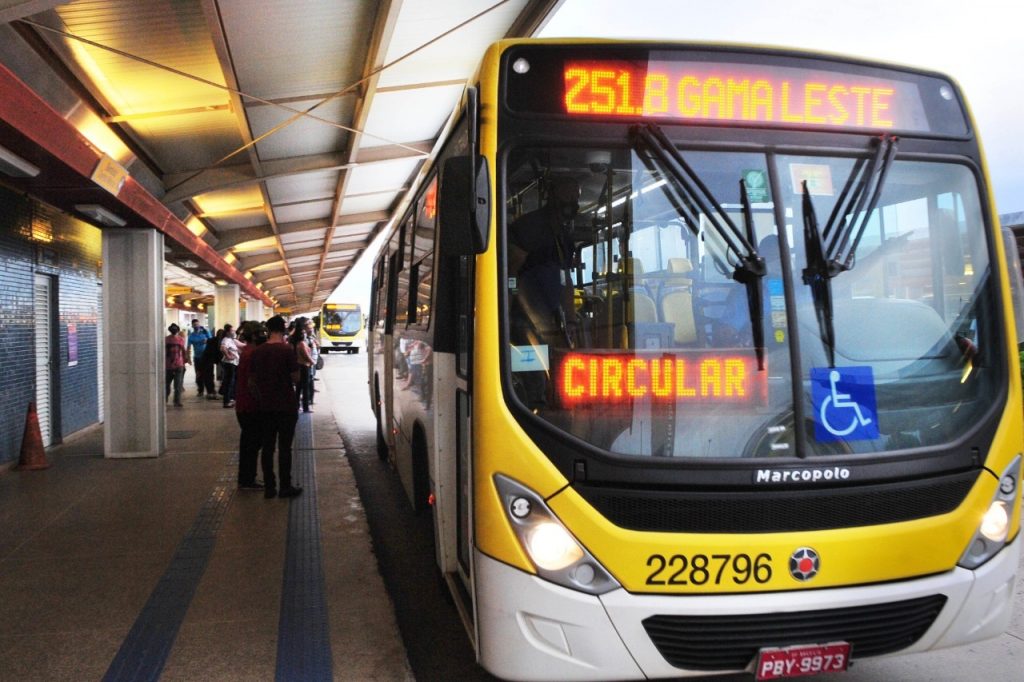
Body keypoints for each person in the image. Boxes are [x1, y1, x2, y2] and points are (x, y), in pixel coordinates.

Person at [508, 176, 581, 349]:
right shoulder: (529, 227)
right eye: (568, 194)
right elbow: (511, 273)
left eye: (575, 197)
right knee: (533, 370)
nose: (572, 201)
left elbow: (566, 279)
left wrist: (570, 320)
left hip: (551, 316)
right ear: (553, 195)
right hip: (524, 317)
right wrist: (507, 314)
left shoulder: (565, 237)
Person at [248, 315, 303, 499]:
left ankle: (269, 488)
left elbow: (251, 382)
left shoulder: (258, 351)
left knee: (268, 447)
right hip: (286, 405)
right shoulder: (286, 350)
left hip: (265, 407)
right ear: (283, 329)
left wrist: (262, 397)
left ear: (269, 330)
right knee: (285, 448)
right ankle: (285, 487)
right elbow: (296, 378)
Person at [235, 320, 268, 490]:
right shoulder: (252, 354)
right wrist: (262, 402)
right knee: (252, 444)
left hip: (243, 405)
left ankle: (246, 479)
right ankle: (248, 480)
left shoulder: (247, 351)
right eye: (261, 332)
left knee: (249, 444)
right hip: (251, 406)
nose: (264, 335)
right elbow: (252, 383)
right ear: (254, 335)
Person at [290, 316, 315, 413]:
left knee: (299, 387)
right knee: (305, 387)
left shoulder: (297, 342)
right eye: (303, 333)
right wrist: (312, 362)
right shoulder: (302, 344)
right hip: (304, 366)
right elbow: (306, 355)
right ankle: (305, 407)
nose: (305, 334)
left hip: (300, 365)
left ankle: (296, 405)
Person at [164, 323, 187, 407]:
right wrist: (184, 361)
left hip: (175, 364)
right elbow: (183, 351)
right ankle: (174, 401)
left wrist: (184, 361)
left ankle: (174, 400)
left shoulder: (167, 339)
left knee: (175, 384)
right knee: (170, 384)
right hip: (172, 364)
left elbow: (183, 351)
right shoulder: (167, 339)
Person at [186, 318, 211, 396]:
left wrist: (207, 340)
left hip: (206, 357)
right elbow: (188, 347)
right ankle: (200, 390)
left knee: (207, 374)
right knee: (199, 374)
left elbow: (211, 340)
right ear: (192, 326)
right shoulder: (191, 336)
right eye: (195, 325)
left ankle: (209, 391)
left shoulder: (205, 332)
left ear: (199, 324)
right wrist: (188, 358)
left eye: (197, 324)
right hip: (197, 357)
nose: (196, 326)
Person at [199, 328, 224, 400]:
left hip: (208, 360)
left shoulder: (214, 340)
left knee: (209, 376)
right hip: (207, 360)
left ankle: (211, 392)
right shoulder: (215, 341)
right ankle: (211, 392)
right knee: (209, 376)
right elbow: (217, 354)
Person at [220, 325, 242, 408]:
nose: (234, 332)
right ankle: (226, 401)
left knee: (232, 382)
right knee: (229, 382)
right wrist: (228, 356)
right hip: (230, 364)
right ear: (228, 332)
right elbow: (222, 348)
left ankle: (230, 399)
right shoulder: (226, 340)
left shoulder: (231, 340)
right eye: (232, 331)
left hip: (234, 363)